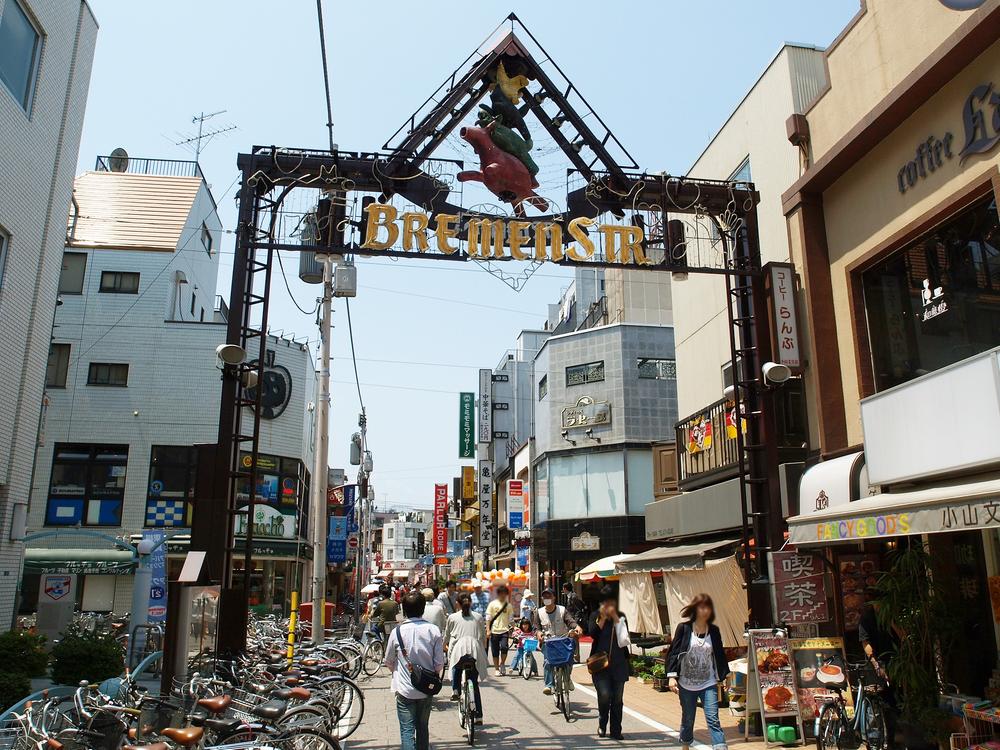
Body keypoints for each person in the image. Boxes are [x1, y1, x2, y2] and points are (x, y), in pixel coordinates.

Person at [665, 593, 730, 750]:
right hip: (686, 684)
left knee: (713, 718)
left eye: (707, 607)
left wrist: (726, 676)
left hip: (708, 682)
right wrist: (672, 677)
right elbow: (673, 653)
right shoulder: (684, 628)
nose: (705, 610)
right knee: (688, 718)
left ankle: (720, 747)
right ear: (695, 609)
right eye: (702, 607)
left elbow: (719, 654)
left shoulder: (713, 631)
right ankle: (686, 744)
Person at [383, 591, 446, 750]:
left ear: (404, 610)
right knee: (422, 728)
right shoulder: (433, 630)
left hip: (404, 689)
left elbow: (388, 661)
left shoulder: (397, 632)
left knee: (407, 729)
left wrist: (398, 672)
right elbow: (439, 664)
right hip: (426, 689)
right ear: (423, 609)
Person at [588, 585, 631, 739]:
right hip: (600, 665)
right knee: (605, 695)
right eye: (606, 602)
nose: (609, 605)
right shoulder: (595, 615)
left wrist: (616, 618)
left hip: (619, 664)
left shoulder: (621, 616)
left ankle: (616, 730)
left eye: (611, 601)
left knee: (618, 699)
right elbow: (592, 633)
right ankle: (602, 722)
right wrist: (603, 617)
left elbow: (625, 639)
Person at [443, 592, 488, 723]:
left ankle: (455, 689)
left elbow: (447, 634)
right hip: (474, 649)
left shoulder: (452, 617)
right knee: (474, 682)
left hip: (459, 648)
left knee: (456, 666)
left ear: (457, 603)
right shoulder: (478, 617)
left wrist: (443, 645)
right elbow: (483, 636)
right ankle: (479, 715)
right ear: (471, 603)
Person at [531, 587, 582, 696]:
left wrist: (577, 627)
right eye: (544, 596)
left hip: (563, 640)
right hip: (547, 641)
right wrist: (539, 633)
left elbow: (570, 621)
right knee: (548, 662)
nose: (547, 598)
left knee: (569, 659)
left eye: (549, 596)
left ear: (554, 597)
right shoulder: (538, 612)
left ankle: (567, 679)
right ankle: (549, 685)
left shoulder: (562, 610)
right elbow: (535, 628)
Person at [485, 584, 513, 676]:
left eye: (505, 593)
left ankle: (502, 664)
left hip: (504, 630)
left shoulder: (508, 605)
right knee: (495, 650)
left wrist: (514, 628)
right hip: (494, 631)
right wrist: (488, 630)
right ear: (498, 594)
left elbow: (511, 619)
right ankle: (496, 669)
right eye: (501, 593)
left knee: (504, 647)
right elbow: (488, 618)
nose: (503, 595)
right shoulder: (492, 604)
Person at [563, 582, 586, 663]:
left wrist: (575, 623)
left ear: (565, 589)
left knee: (575, 639)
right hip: (570, 621)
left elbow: (578, 610)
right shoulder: (569, 596)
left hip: (574, 622)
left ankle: (576, 657)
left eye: (563, 588)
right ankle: (572, 656)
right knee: (570, 639)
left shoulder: (573, 596)